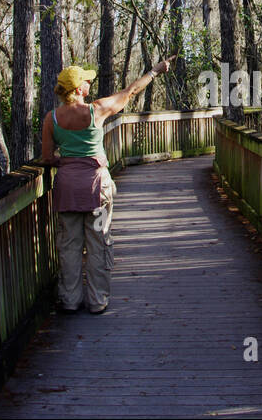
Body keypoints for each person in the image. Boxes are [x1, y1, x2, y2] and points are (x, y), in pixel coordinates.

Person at [40, 55, 178, 314]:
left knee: (69, 245)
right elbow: (131, 91)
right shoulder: (97, 110)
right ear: (79, 89)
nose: (90, 84)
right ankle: (97, 300)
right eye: (86, 81)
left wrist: (69, 162)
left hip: (67, 188)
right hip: (96, 188)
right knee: (99, 241)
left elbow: (48, 158)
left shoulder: (52, 119)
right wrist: (155, 71)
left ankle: (70, 300)